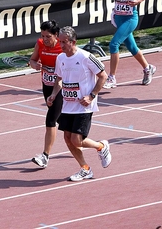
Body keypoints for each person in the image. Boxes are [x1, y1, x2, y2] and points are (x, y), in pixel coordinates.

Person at [47, 26, 112, 182]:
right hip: (68, 106)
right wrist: (54, 94)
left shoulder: (86, 57)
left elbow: (103, 76)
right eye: (59, 41)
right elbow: (59, 79)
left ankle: (101, 147)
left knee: (77, 140)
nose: (61, 45)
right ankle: (85, 169)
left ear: (73, 41)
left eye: (64, 42)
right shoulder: (60, 58)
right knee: (68, 139)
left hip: (84, 105)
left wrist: (92, 96)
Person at [99, 0, 156, 89]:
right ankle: (148, 68)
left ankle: (112, 77)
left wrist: (139, 1)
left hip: (130, 19)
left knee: (113, 44)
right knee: (131, 47)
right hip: (118, 18)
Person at [29, 20, 63, 168]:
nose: (45, 39)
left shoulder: (62, 47)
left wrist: (55, 93)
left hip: (61, 88)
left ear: (56, 35)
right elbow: (32, 60)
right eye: (43, 36)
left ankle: (45, 156)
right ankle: (96, 145)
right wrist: (35, 65)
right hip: (46, 86)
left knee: (50, 121)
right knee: (64, 122)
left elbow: (63, 75)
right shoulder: (40, 44)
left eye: (48, 36)